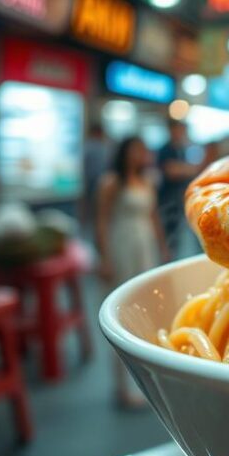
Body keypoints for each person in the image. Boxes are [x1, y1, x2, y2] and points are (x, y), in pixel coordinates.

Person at [96, 137, 168, 407]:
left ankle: (145, 381)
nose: (141, 155)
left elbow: (154, 216)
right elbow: (102, 221)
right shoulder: (111, 183)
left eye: (143, 150)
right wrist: (104, 257)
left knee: (144, 307)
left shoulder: (147, 180)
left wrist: (162, 246)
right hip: (122, 244)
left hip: (144, 243)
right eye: (136, 150)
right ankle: (122, 387)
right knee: (120, 310)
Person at [156, 120, 199, 257]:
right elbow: (172, 171)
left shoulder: (182, 150)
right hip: (168, 204)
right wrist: (191, 169)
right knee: (170, 241)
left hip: (179, 204)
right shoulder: (166, 150)